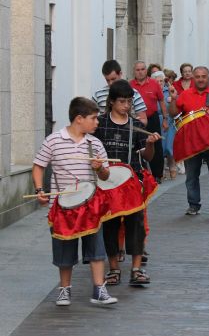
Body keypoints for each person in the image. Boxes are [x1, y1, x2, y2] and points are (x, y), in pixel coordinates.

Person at [32, 97, 118, 306]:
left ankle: (99, 289)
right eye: (94, 118)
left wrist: (100, 168)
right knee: (64, 250)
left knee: (96, 249)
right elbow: (38, 165)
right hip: (62, 206)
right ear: (79, 119)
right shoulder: (54, 140)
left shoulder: (95, 144)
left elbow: (106, 177)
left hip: (90, 206)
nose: (97, 122)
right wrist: (39, 190)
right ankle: (64, 289)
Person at [94, 80, 161, 287]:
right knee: (110, 226)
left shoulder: (137, 126)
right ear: (111, 102)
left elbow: (147, 157)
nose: (126, 106)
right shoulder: (100, 124)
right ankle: (114, 269)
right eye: (122, 101)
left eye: (129, 102)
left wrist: (150, 145)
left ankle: (136, 269)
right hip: (108, 182)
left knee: (136, 225)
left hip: (132, 182)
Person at [168, 66, 209, 217]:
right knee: (191, 176)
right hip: (192, 141)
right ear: (193, 78)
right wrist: (173, 99)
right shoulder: (185, 94)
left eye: (203, 76)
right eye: (198, 76)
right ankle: (193, 205)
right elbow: (173, 114)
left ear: (208, 77)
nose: (201, 79)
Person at [130, 61, 168, 183]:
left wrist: (165, 119)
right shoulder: (130, 85)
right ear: (134, 71)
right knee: (138, 145)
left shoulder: (154, 83)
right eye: (137, 70)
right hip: (136, 120)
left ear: (146, 70)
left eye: (142, 69)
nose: (140, 72)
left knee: (156, 145)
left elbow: (162, 101)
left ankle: (158, 174)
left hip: (152, 118)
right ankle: (140, 173)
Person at [93, 60, 148, 126]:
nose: (110, 83)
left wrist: (133, 124)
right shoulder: (98, 94)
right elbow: (91, 117)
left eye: (113, 79)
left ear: (120, 74)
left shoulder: (134, 93)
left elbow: (144, 120)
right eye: (107, 80)